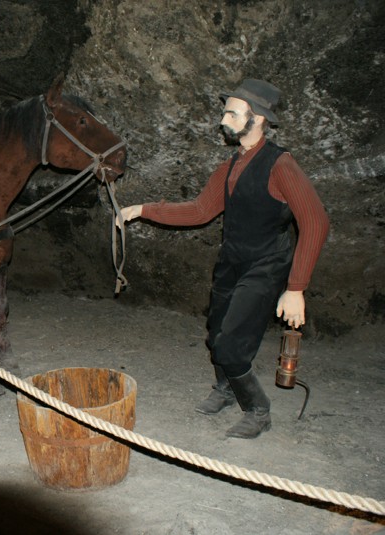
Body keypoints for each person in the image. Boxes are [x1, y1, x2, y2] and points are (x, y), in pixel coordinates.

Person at [120, 79, 329, 439]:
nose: (222, 120)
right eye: (225, 112)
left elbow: (315, 221)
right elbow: (201, 210)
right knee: (216, 334)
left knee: (231, 345)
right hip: (232, 261)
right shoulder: (230, 166)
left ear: (258, 118)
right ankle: (226, 388)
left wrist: (296, 288)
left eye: (232, 113)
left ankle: (258, 410)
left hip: (266, 265)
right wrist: (143, 209)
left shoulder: (280, 164)